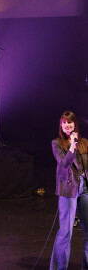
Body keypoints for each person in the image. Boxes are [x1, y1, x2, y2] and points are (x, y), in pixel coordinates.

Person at [50, 111, 88, 270]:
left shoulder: (85, 142)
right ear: (61, 125)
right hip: (68, 189)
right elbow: (64, 163)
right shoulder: (57, 143)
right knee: (66, 232)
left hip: (85, 188)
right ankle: (60, 268)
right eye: (64, 123)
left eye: (70, 122)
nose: (67, 125)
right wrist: (72, 145)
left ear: (74, 124)